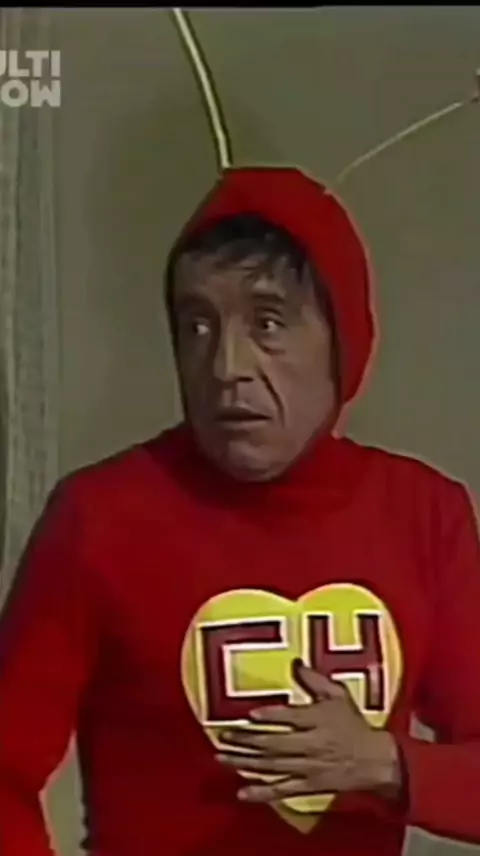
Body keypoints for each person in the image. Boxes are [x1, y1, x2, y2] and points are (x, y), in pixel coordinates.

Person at [1, 166, 480, 856]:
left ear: (344, 339)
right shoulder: (98, 518)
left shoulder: (426, 515)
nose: (226, 366)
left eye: (268, 323)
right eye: (197, 324)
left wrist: (387, 764)